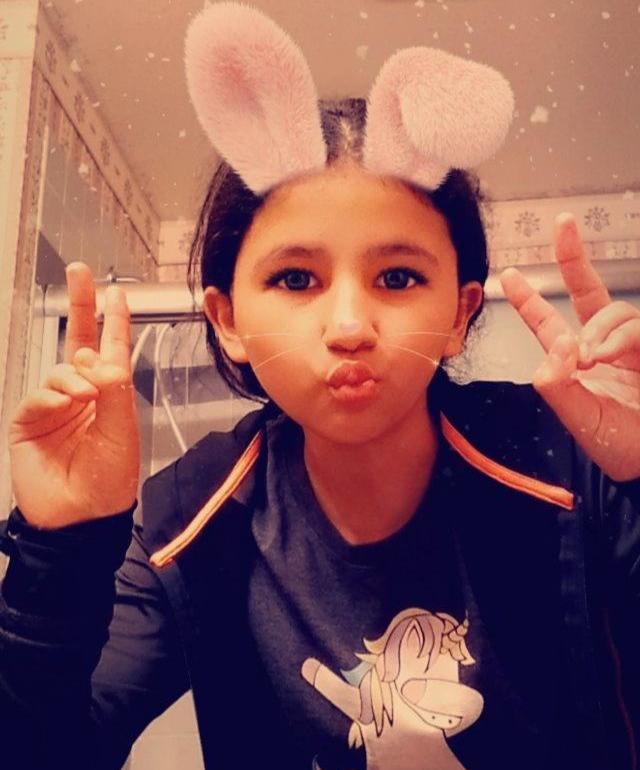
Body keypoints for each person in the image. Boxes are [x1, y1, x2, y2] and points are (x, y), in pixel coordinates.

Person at [1, 3, 639, 769]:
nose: (349, 326)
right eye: (296, 278)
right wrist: (59, 551)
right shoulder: (190, 516)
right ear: (228, 320)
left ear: (459, 313)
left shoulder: (560, 457)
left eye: (397, 277)